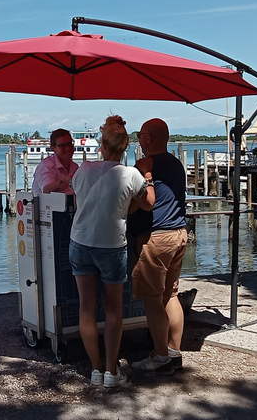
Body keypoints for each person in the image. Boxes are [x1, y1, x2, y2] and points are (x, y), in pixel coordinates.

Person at [69, 115, 154, 388]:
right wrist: (149, 176)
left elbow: (81, 200)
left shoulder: (82, 170)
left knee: (86, 308)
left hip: (80, 242)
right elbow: (148, 203)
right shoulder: (131, 174)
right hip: (111, 246)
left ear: (102, 146)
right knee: (113, 310)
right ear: (125, 148)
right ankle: (111, 371)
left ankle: (95, 369)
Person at [128, 118, 188, 376]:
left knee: (152, 300)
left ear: (148, 138)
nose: (139, 140)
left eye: (140, 135)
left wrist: (142, 173)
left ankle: (160, 356)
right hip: (179, 233)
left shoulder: (147, 166)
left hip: (157, 237)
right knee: (170, 294)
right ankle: (173, 351)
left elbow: (140, 200)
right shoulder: (176, 163)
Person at [31, 129, 78, 195]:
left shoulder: (75, 167)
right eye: (62, 146)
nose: (68, 148)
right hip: (45, 204)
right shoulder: (46, 165)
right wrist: (66, 181)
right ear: (53, 148)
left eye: (70, 144)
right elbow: (46, 189)